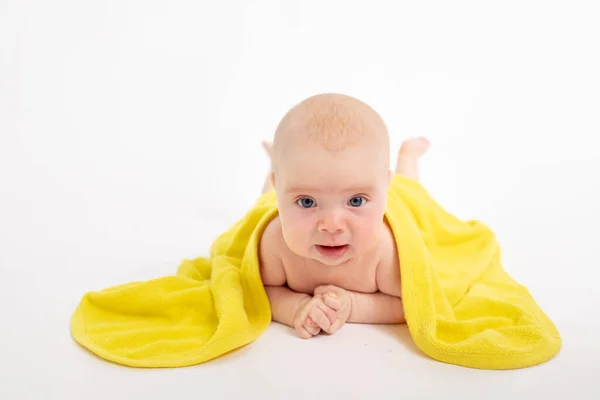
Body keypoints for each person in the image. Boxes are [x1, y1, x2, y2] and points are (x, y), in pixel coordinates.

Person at [258, 93, 429, 339]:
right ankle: (275, 165)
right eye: (307, 202)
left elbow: (412, 304)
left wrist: (353, 306)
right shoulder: (274, 244)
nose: (332, 226)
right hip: (281, 188)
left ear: (383, 189)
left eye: (356, 201)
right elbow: (261, 290)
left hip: (402, 198)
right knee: (263, 203)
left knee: (414, 194)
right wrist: (295, 307)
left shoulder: (387, 254)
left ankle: (407, 157)